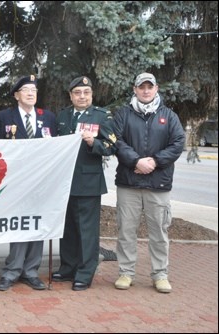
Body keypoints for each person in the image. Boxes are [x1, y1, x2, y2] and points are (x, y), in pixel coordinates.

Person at [112, 73, 185, 293]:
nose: (145, 91)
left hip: (158, 185)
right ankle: (126, 273)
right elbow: (117, 140)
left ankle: (160, 275)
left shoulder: (169, 116)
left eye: (149, 87)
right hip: (129, 184)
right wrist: (135, 161)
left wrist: (154, 161)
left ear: (156, 89)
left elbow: (178, 142)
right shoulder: (123, 114)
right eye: (141, 87)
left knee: (159, 233)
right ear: (134, 89)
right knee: (126, 231)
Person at [52, 76, 117, 291]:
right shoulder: (62, 116)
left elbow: (110, 146)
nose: (82, 96)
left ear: (91, 95)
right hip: (64, 183)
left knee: (87, 231)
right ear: (71, 95)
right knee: (68, 228)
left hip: (88, 183)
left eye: (86, 93)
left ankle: (85, 272)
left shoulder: (101, 116)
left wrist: (93, 143)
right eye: (77, 92)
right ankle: (68, 267)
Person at [0, 75, 56, 291]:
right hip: (16, 183)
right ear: (16, 95)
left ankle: (31, 271)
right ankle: (11, 272)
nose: (31, 93)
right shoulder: (4, 117)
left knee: (36, 224)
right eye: (26, 89)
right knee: (18, 224)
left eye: (34, 90)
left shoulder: (47, 117)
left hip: (41, 183)